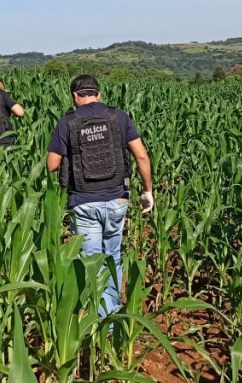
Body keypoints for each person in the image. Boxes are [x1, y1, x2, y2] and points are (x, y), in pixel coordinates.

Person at [45, 74, 153, 317]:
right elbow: (141, 156)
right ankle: (111, 317)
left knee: (91, 260)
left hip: (83, 202)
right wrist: (147, 191)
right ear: (99, 95)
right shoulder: (119, 117)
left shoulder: (67, 122)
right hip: (117, 199)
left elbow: (52, 165)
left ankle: (97, 319)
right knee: (113, 256)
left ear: (75, 96)